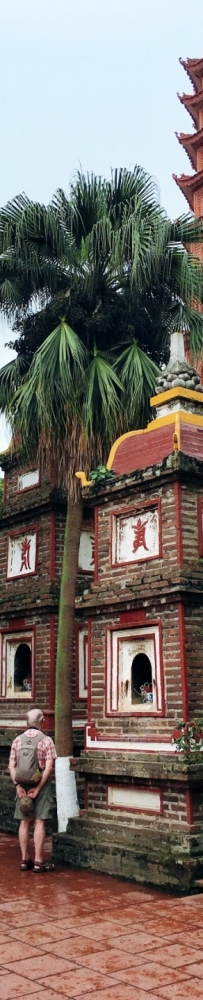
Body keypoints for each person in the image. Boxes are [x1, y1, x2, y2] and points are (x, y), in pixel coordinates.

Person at [9, 707, 57, 872]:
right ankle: (38, 861)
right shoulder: (46, 740)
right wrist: (38, 787)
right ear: (42, 721)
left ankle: (24, 859)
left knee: (24, 822)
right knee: (39, 822)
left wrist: (18, 786)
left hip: (22, 786)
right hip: (41, 786)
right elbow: (49, 767)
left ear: (26, 723)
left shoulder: (17, 740)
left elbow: (11, 765)